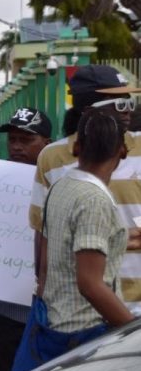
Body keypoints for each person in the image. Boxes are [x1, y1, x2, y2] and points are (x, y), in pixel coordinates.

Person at [12, 108, 136, 371]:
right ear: (123, 152)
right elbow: (90, 285)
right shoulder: (94, 200)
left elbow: (45, 264)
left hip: (54, 325)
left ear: (77, 147)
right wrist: (133, 332)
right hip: (86, 335)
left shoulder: (61, 186)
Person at [29, 65, 141, 314]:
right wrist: (44, 291)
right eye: (118, 103)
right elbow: (44, 232)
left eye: (128, 101)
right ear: (88, 110)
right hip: (79, 308)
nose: (127, 111)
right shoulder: (52, 157)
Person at [0, 107, 51, 371]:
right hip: (2, 311)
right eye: (12, 140)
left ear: (47, 143)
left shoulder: (62, 180)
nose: (17, 146)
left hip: (46, 311)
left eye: (26, 139)